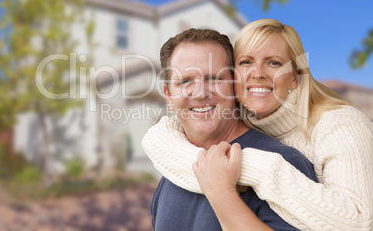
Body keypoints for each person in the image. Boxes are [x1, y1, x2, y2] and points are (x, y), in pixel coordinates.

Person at [143, 19, 373, 230]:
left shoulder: (298, 154)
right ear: (168, 95)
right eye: (185, 81)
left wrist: (230, 184)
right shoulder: (174, 166)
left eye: (215, 78)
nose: (201, 92)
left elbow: (360, 221)